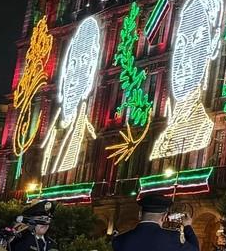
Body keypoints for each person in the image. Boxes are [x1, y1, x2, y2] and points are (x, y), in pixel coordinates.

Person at [152, 0, 223, 159]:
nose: (184, 57)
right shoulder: (168, 122)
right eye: (182, 42)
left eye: (196, 40)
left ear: (213, 43)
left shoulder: (202, 128)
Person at [41, 16, 102, 175]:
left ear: (91, 72)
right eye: (73, 63)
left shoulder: (88, 131)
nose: (74, 76)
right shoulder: (47, 133)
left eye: (84, 62)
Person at [111, 194, 197, 251]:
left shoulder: (120, 240)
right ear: (164, 217)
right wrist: (187, 227)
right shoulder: (173, 238)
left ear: (140, 214)